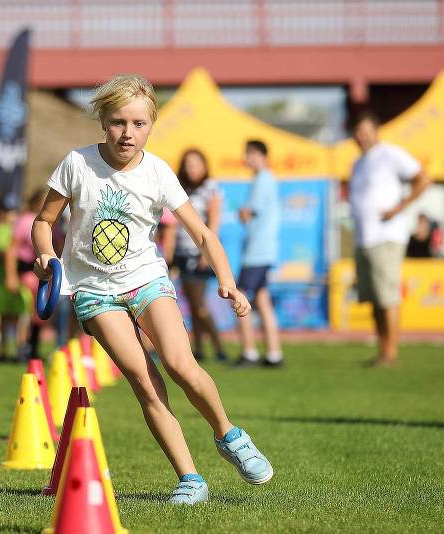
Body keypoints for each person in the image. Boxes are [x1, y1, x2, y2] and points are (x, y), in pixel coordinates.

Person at [32, 74, 273, 505]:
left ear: (152, 124)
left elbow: (201, 233)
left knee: (182, 364)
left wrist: (228, 283)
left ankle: (228, 435)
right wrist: (47, 256)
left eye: (139, 123)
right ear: (103, 121)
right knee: (145, 381)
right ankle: (190, 479)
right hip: (93, 291)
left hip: (146, 279)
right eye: (119, 122)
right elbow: (44, 222)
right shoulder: (76, 163)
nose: (128, 133)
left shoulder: (158, 171)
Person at [348, 111, 432, 367]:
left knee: (387, 296)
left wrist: (399, 207)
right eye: (357, 132)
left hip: (386, 237)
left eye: (365, 131)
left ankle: (391, 353)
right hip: (365, 238)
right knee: (373, 298)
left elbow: (423, 178)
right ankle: (382, 350)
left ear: (377, 131)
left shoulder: (390, 154)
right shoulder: (358, 162)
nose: (361, 136)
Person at [172, 149, 228, 363]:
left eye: (195, 164)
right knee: (194, 306)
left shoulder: (210, 188)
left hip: (198, 254)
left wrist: (207, 253)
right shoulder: (182, 188)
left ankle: (219, 348)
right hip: (182, 253)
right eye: (187, 164)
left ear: (204, 166)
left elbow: (213, 223)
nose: (191, 168)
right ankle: (200, 349)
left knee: (199, 305)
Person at [234, 140, 282, 368]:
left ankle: (249, 352)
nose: (249, 159)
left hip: (257, 252)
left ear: (263, 155)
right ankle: (274, 353)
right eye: (247, 154)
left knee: (239, 296)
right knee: (262, 300)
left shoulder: (263, 179)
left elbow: (248, 213)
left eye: (252, 154)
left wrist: (241, 213)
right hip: (262, 250)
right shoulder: (265, 179)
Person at [0, 193, 31, 363]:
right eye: (7, 211)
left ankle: (20, 350)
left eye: (14, 211)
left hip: (21, 278)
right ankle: (3, 351)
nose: (11, 215)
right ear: (0, 212)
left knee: (22, 314)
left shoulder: (19, 228)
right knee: (4, 317)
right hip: (2, 280)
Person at [5, 188, 46, 360]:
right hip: (26, 269)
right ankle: (21, 348)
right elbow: (11, 249)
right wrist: (11, 276)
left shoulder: (52, 223)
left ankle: (34, 348)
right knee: (25, 310)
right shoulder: (26, 221)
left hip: (43, 272)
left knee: (39, 313)